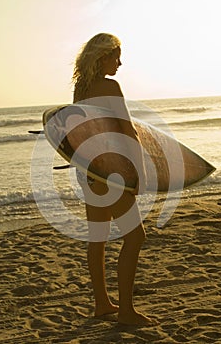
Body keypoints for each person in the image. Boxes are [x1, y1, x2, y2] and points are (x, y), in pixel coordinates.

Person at [72, 33, 157, 326]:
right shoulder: (110, 86)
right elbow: (127, 130)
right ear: (102, 56)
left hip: (89, 170)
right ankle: (126, 312)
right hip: (112, 170)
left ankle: (102, 303)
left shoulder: (80, 88)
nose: (120, 63)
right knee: (135, 236)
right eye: (115, 56)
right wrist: (141, 172)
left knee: (98, 238)